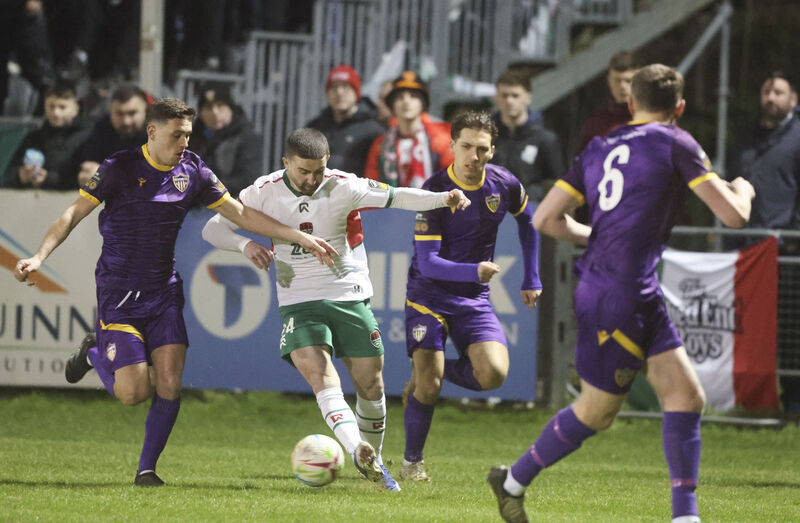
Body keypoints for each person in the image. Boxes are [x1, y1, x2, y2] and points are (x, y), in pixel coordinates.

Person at [13, 98, 336, 487]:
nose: (185, 140)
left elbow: (240, 213)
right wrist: (38, 256)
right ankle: (94, 351)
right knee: (134, 393)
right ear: (153, 131)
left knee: (169, 381)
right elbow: (72, 214)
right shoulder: (120, 167)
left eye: (188, 133)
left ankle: (146, 470)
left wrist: (295, 235)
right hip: (119, 293)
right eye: (177, 134)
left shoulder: (193, 170)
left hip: (164, 291)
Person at [487, 64, 755, 523]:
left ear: (632, 103)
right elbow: (733, 217)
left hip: (624, 287)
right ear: (680, 108)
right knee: (597, 412)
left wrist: (604, 237)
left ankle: (685, 517)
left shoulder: (599, 146)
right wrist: (744, 189)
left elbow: (545, 220)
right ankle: (511, 481)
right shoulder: (676, 141)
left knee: (686, 396)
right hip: (621, 292)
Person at [201, 127, 471, 491]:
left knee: (371, 384)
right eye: (303, 171)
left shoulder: (344, 185)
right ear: (286, 163)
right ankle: (355, 445)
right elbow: (212, 230)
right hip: (298, 299)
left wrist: (444, 198)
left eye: (319, 170)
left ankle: (372, 463)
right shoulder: (262, 192)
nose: (312, 179)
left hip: (348, 294)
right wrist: (245, 245)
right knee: (320, 374)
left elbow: (399, 197)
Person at [400, 110, 542, 482]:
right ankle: (412, 463)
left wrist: (532, 277)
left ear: (492, 150)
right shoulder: (432, 192)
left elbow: (529, 220)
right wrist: (474, 271)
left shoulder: (504, 184)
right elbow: (428, 263)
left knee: (494, 374)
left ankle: (427, 372)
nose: (472, 156)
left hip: (473, 298)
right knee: (428, 386)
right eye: (465, 146)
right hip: (427, 296)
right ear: (451, 145)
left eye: (481, 148)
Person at [727, 71, 800, 239]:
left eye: (778, 93)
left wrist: (793, 237)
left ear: (793, 100)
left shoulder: (797, 137)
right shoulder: (745, 138)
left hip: (783, 248)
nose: (771, 98)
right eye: (766, 92)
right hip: (744, 243)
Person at [364, 71, 454, 187]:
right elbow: (371, 188)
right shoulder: (380, 145)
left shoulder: (440, 140)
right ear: (392, 106)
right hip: (387, 204)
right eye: (400, 97)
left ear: (422, 104)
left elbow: (451, 185)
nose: (406, 101)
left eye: (413, 96)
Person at [492, 69, 565, 203]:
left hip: (530, 212)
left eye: (515, 96)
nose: (509, 101)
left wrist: (534, 194)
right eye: (504, 95)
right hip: (490, 210)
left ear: (528, 97)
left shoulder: (545, 139)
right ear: (496, 98)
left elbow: (558, 185)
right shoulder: (486, 135)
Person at [4, 81, 89, 189]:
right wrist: (21, 175)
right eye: (51, 106)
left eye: (62, 107)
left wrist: (48, 179)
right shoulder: (34, 138)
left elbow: (87, 180)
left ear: (75, 109)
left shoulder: (86, 139)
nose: (56, 112)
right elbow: (7, 176)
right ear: (45, 106)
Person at [305, 65, 385, 176]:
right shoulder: (315, 129)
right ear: (327, 93)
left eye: (345, 87)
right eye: (334, 87)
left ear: (356, 92)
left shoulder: (373, 131)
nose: (339, 93)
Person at [187, 82, 263, 197]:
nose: (214, 112)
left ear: (231, 108)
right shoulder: (190, 136)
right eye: (208, 107)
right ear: (201, 113)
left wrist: (210, 186)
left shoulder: (245, 136)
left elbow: (248, 179)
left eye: (220, 105)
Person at [75, 84, 150, 187]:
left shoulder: (161, 132)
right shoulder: (102, 128)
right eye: (119, 114)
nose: (126, 121)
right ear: (110, 111)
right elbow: (89, 165)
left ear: (145, 110)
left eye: (132, 113)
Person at [576, 50, 641, 153]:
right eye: (617, 80)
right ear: (609, 81)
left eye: (628, 80)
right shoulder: (595, 126)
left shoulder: (656, 123)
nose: (622, 86)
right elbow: (582, 165)